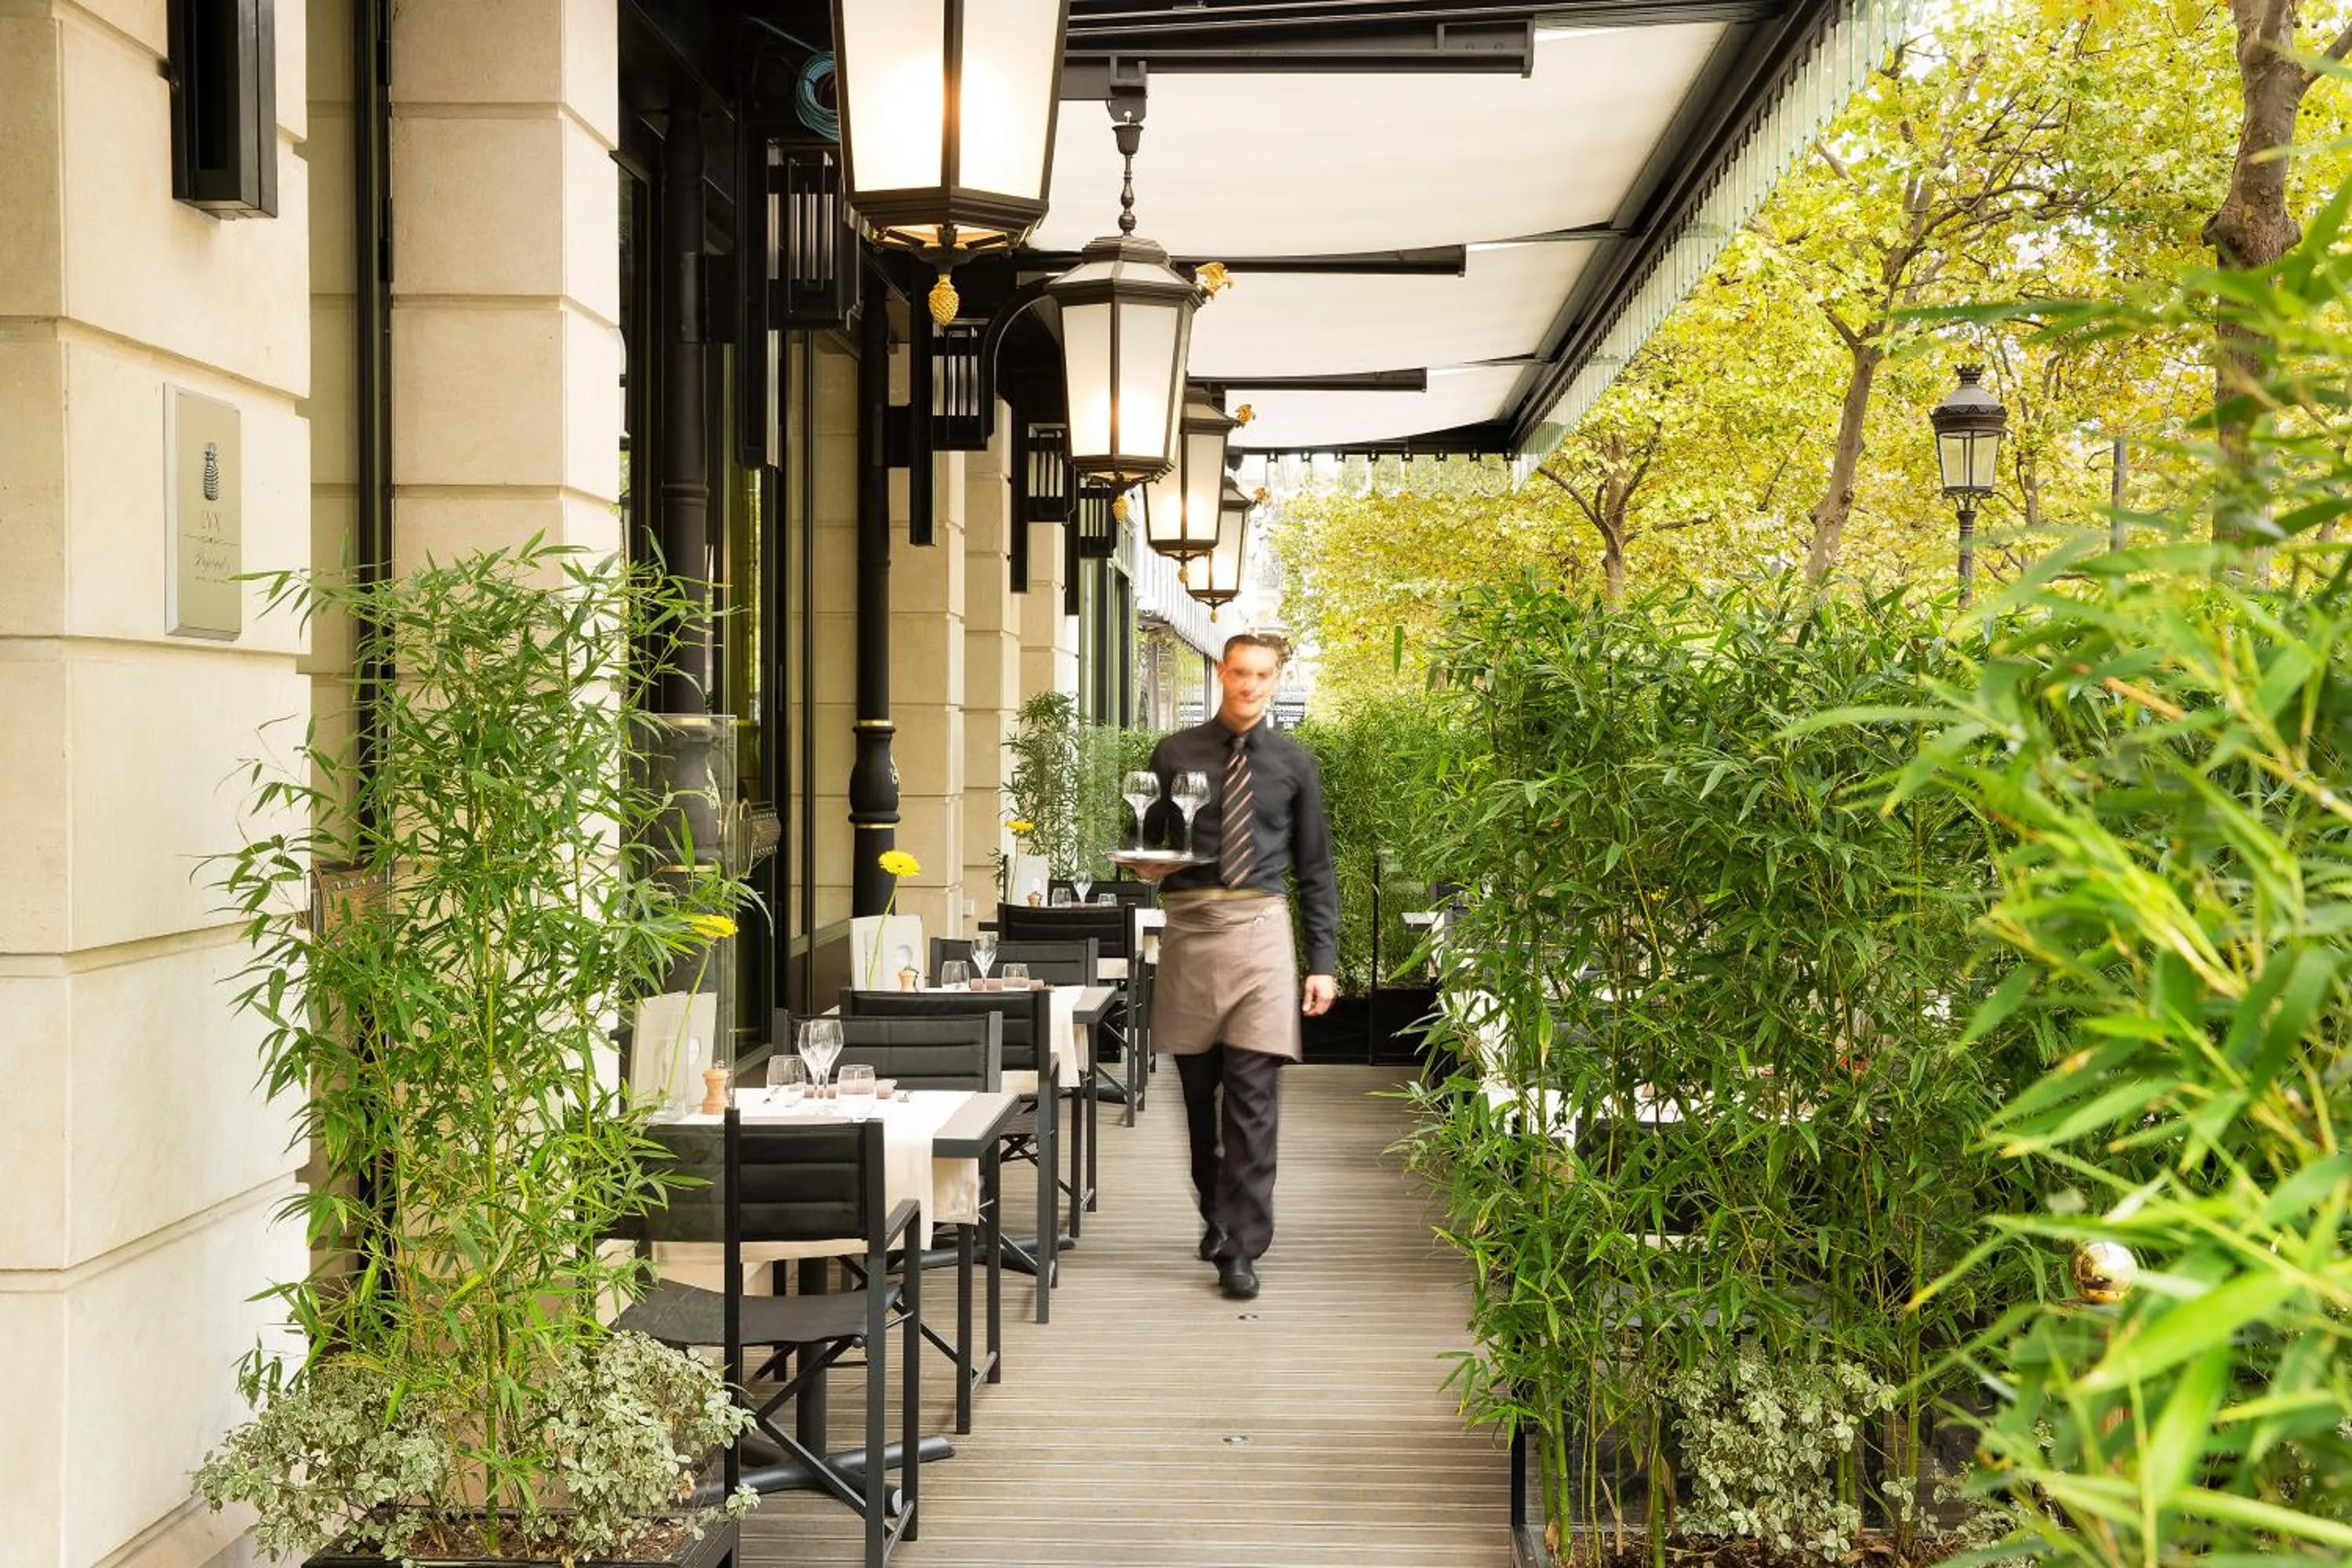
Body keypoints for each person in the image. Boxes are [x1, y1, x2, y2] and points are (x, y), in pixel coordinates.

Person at [1133, 632, 1336, 1300]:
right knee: (1199, 1095)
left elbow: (1315, 871)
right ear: (1223, 673)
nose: (1250, 685)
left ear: (1276, 680)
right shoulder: (1175, 753)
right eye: (1240, 672)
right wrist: (1144, 865)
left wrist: (1323, 962)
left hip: (1261, 935)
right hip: (1192, 930)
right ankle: (1215, 1210)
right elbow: (1149, 839)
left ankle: (1243, 1248)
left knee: (1253, 1098)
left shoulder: (1294, 763)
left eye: (1263, 676)